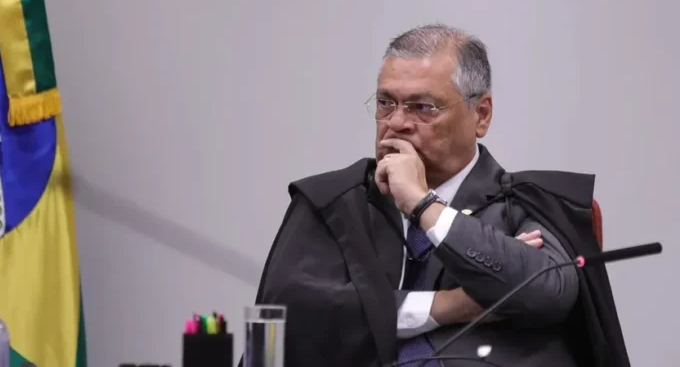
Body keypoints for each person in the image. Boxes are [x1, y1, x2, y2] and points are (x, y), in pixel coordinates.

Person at [249, 24, 630, 367]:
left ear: (481, 115)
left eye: (423, 107)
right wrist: (447, 306)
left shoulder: (527, 203)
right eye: (386, 103)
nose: (397, 122)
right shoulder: (334, 202)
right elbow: (284, 318)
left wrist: (422, 205)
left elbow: (546, 292)